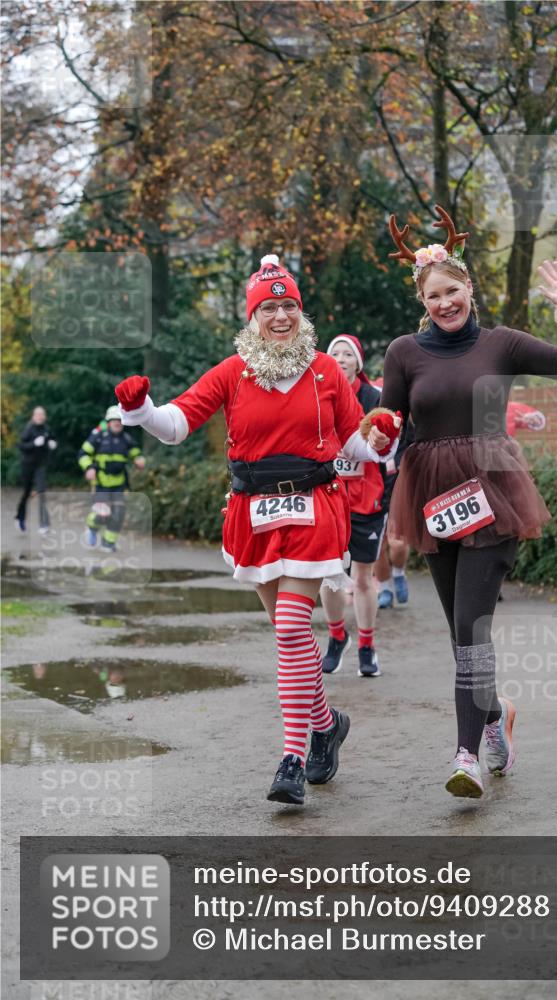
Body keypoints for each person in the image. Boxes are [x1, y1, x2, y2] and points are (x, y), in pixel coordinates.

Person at [114, 255, 401, 806]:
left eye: (288, 305)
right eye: (268, 307)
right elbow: (177, 424)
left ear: (301, 311)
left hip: (315, 508)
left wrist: (379, 438)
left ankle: (291, 757)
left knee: (293, 627)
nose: (280, 316)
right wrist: (143, 408)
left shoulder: (324, 371)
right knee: (289, 638)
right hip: (253, 515)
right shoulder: (233, 371)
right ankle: (327, 723)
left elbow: (352, 443)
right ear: (253, 316)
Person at [372, 206, 557, 799]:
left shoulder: (503, 344)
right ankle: (495, 716)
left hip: (492, 490)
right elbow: (390, 419)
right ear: (422, 300)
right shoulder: (403, 352)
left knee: (472, 632)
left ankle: (467, 756)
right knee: (460, 636)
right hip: (432, 495)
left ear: (468, 286)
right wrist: (374, 433)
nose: (445, 303)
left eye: (453, 290)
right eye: (433, 295)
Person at [320, 334, 386, 677]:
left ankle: (366, 646)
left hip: (366, 501)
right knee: (328, 577)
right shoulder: (318, 394)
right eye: (335, 353)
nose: (342, 358)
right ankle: (336, 636)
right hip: (328, 499)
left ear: (359, 362)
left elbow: (391, 449)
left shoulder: (374, 398)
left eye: (348, 354)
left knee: (362, 578)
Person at [78, 405, 145, 552]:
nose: (118, 423)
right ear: (109, 421)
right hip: (101, 483)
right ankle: (91, 527)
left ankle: (108, 543)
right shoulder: (98, 437)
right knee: (103, 513)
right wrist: (89, 468)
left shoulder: (127, 439)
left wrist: (139, 460)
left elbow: (136, 453)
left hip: (119, 484)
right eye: (115, 420)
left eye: (120, 420)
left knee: (118, 514)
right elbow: (83, 454)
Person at [374, 417, 416, 608]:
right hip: (372, 491)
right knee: (378, 547)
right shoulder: (366, 413)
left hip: (398, 489)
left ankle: (398, 573)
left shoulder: (403, 423)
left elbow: (414, 445)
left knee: (398, 544)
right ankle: (384, 589)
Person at [14, 406, 57, 534]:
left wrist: (53, 444)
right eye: (37, 414)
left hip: (40, 466)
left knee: (41, 492)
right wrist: (33, 444)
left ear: (45, 417)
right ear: (33, 416)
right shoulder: (28, 429)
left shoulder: (47, 429)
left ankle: (44, 525)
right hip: (27, 465)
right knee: (26, 493)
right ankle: (20, 517)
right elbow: (20, 446)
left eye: (42, 414)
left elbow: (52, 441)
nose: (40, 417)